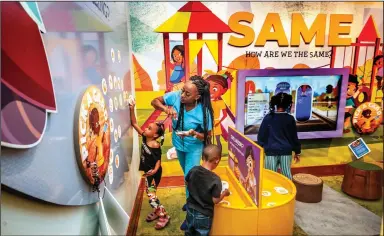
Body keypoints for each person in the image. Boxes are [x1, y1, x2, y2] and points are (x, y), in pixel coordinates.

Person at [151, 75, 214, 230]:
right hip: (179, 145)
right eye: (183, 91)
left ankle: (191, 216)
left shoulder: (203, 112)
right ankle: (189, 202)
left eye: (188, 94)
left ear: (197, 97)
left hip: (194, 147)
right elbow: (154, 101)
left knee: (189, 180)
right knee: (186, 176)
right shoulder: (176, 97)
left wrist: (194, 134)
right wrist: (166, 108)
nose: (183, 95)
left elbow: (208, 135)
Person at [129, 99, 170, 230]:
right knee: (151, 193)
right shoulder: (145, 137)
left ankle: (163, 214)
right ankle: (158, 212)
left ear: (156, 135)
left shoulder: (155, 144)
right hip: (149, 172)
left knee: (151, 196)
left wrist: (154, 170)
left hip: (154, 173)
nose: (146, 128)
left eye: (149, 128)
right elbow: (134, 123)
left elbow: (158, 160)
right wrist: (131, 108)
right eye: (147, 127)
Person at [184, 144, 230, 236]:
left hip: (190, 209)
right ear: (217, 160)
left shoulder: (194, 170)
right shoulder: (215, 179)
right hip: (203, 215)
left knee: (189, 231)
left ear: (202, 157)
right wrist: (224, 193)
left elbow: (186, 182)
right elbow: (215, 200)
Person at [257, 93, 301, 180]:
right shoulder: (290, 119)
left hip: (270, 151)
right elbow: (294, 137)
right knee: (286, 176)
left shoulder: (268, 118)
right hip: (286, 151)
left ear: (275, 103)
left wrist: (260, 147)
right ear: (288, 104)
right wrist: (297, 151)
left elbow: (261, 136)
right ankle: (288, 192)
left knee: (269, 176)